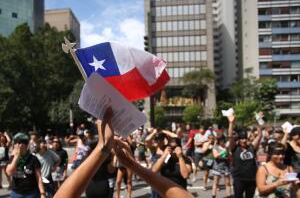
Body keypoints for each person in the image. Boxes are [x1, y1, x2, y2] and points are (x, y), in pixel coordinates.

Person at [55, 107, 194, 198]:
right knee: (121, 180)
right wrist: (132, 165)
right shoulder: (160, 152)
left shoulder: (184, 158)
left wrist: (102, 149)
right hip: (135, 171)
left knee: (127, 181)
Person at [228, 112, 262, 198]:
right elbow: (230, 136)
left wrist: (257, 122)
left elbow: (259, 136)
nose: (243, 140)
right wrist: (231, 123)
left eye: (245, 138)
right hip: (239, 179)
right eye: (241, 139)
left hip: (252, 179)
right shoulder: (235, 148)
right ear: (238, 140)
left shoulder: (252, 147)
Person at [7, 133, 46, 198]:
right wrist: (16, 157)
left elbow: (39, 177)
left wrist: (42, 193)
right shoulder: (13, 157)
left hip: (31, 193)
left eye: (19, 143)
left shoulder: (33, 158)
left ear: (25, 145)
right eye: (15, 143)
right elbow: (9, 172)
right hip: (16, 192)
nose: (16, 146)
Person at [211, 133, 232, 198]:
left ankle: (229, 196)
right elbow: (215, 156)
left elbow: (230, 157)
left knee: (228, 184)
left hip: (226, 167)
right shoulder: (215, 147)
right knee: (215, 184)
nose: (221, 141)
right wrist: (224, 151)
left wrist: (227, 150)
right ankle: (213, 196)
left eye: (222, 140)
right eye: (220, 140)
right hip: (217, 167)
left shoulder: (227, 147)